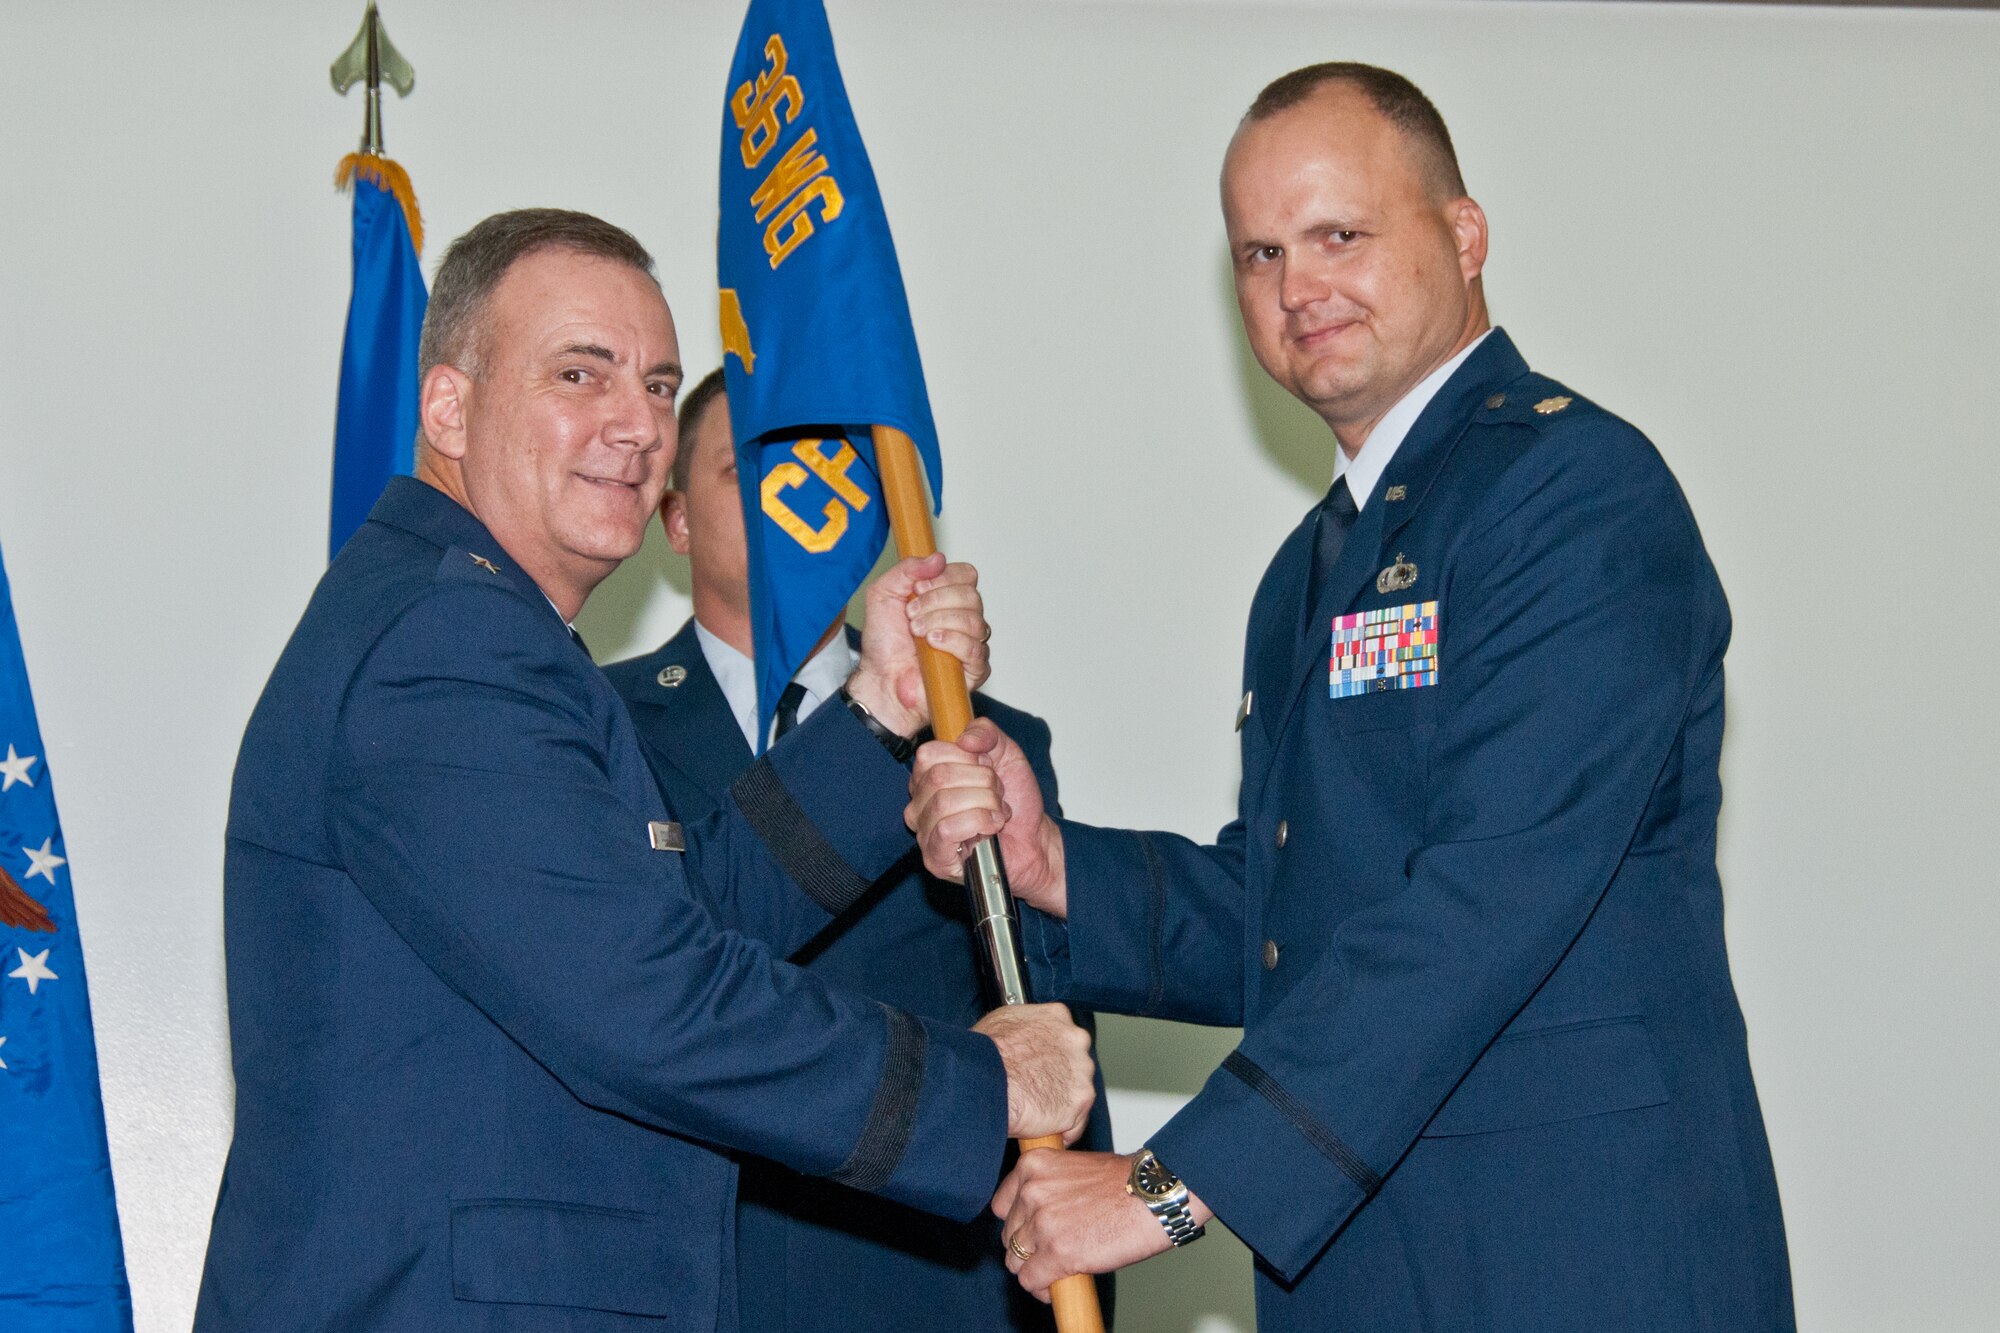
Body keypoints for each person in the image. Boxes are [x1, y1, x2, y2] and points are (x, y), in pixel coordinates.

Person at [908, 64, 1794, 1330]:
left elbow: (1484, 898)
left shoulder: (1576, 491)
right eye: (1259, 252)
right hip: (1367, 1268)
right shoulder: (1307, 569)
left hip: (1570, 1256)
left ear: (1463, 234)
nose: (1297, 286)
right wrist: (1056, 868)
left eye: (1339, 234)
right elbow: (1302, 923)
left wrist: (1168, 1188)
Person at [195, 209, 1096, 1333]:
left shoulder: (481, 629)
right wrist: (977, 1087)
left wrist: (878, 713)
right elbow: (647, 993)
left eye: (659, 387)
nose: (635, 426)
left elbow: (670, 919)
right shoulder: (445, 644)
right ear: (447, 406)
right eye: (582, 374)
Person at [604, 371, 1114, 1333]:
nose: (788, 503)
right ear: (674, 520)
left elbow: (1049, 1041)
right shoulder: (597, 729)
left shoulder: (982, 737)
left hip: (932, 1283)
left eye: (818, 478)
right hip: (697, 1285)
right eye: (742, 473)